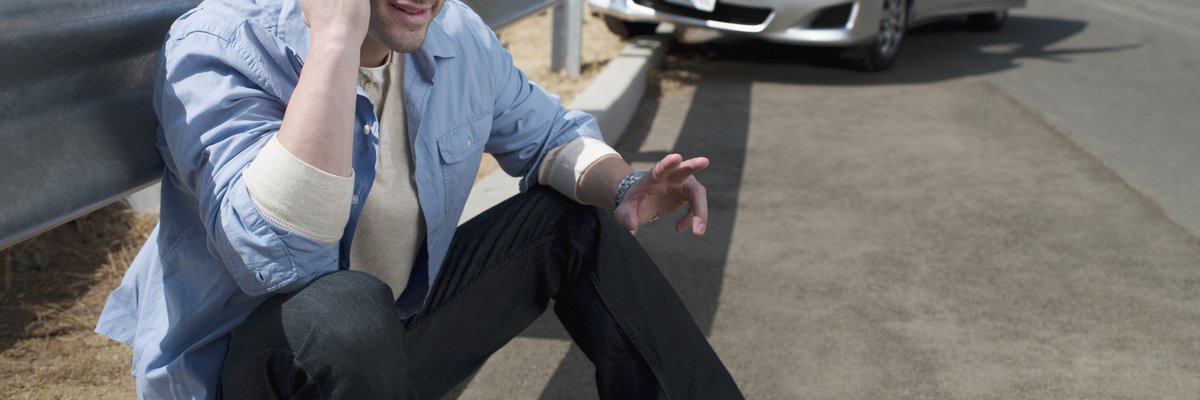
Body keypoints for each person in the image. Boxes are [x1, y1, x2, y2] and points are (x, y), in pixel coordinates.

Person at [96, 0, 742, 398]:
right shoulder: (218, 44)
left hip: (387, 353)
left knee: (573, 220)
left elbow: (550, 136)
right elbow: (279, 259)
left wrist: (627, 186)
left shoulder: (455, 35)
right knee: (346, 308)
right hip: (254, 375)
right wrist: (335, 43)